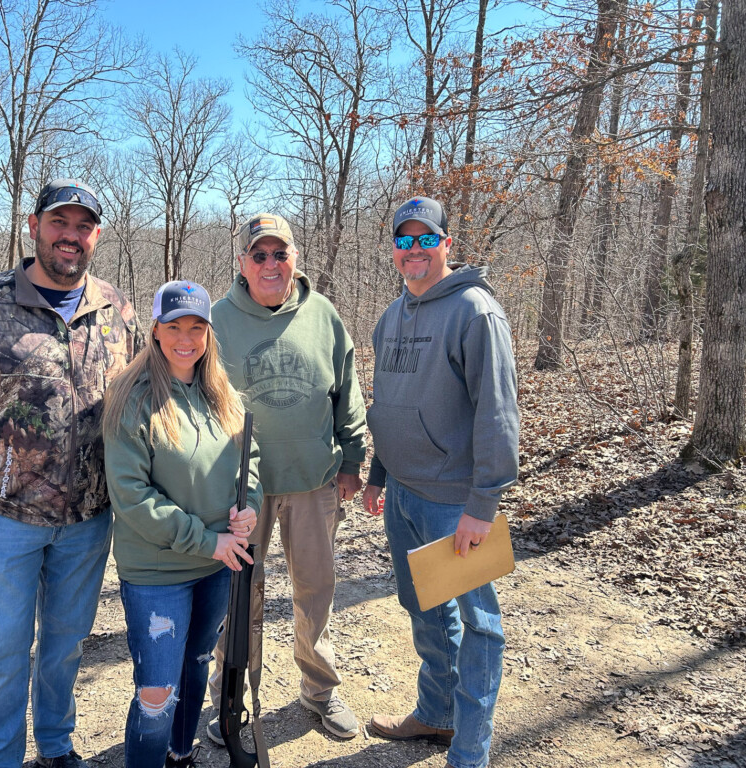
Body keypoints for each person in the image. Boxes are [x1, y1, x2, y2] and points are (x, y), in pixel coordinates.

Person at [0, 178, 143, 768]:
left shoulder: (116, 309)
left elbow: (142, 404)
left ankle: (55, 745)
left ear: (97, 235)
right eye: (58, 222)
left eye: (83, 226)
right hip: (6, 518)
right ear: (33, 226)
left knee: (65, 646)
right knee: (1, 653)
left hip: (90, 519)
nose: (70, 236)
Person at [362, 196, 519, 768]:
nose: (415, 250)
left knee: (479, 625)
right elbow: (388, 402)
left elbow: (497, 413)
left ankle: (469, 752)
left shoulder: (476, 312)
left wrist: (483, 503)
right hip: (404, 496)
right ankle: (437, 713)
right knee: (424, 607)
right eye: (404, 241)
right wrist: (379, 473)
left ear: (446, 243)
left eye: (426, 238)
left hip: (456, 502)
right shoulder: (391, 315)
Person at [206, 213, 368, 741]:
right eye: (259, 255)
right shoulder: (215, 320)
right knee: (239, 594)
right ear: (243, 263)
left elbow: (347, 392)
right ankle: (229, 694)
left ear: (295, 258)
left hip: (314, 480)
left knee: (315, 589)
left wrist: (351, 460)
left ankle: (319, 690)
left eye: (280, 253)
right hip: (239, 487)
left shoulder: (323, 314)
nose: (271, 264)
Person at [102, 280, 261, 768]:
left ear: (209, 332)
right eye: (174, 327)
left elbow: (250, 460)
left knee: (196, 665)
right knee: (157, 693)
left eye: (196, 327)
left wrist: (250, 505)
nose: (185, 338)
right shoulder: (132, 398)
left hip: (217, 565)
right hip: (159, 572)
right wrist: (207, 541)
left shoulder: (221, 393)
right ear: (155, 330)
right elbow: (132, 497)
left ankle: (181, 754)